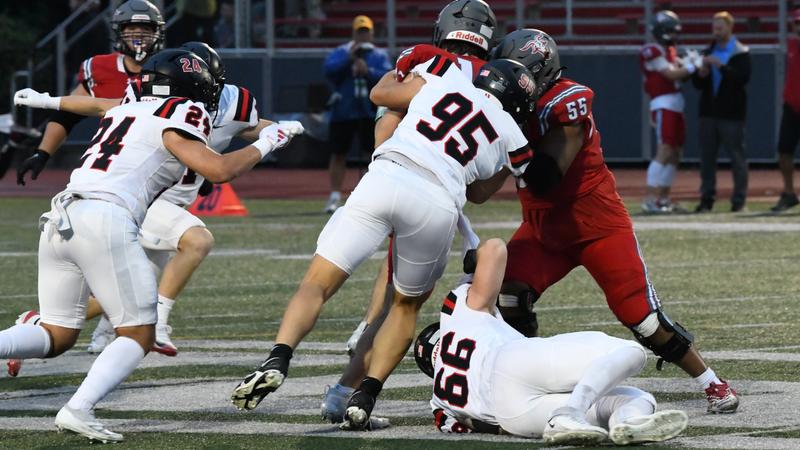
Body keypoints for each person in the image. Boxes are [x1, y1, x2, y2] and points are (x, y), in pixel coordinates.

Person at [5, 49, 301, 442]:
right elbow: (219, 170)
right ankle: (78, 409)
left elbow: (97, 106)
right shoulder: (183, 112)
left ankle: (74, 400)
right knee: (138, 335)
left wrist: (47, 101)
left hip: (62, 215)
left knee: (56, 334)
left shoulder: (126, 109)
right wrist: (269, 142)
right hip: (106, 218)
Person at [230, 58, 537, 432]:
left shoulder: (447, 80)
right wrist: (501, 158)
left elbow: (383, 94)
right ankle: (365, 396)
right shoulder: (512, 133)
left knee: (316, 283)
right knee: (404, 306)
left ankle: (278, 358)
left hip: (386, 174)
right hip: (436, 201)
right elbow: (479, 193)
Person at [492, 28, 739, 413]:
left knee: (642, 318)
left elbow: (545, 176)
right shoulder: (507, 108)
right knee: (508, 293)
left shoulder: (566, 102)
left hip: (596, 226)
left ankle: (711, 382)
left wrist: (508, 138)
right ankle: (527, 378)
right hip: (543, 229)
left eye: (516, 76)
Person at [320, 0, 498, 424]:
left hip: (396, 176)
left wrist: (386, 163)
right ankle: (354, 378)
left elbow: (385, 110)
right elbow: (481, 185)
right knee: (404, 303)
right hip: (435, 192)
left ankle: (345, 383)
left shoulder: (427, 62)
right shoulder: (489, 78)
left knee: (390, 292)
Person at [413, 238, 689, 445]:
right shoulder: (456, 317)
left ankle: (627, 424)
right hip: (507, 363)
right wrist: (475, 258)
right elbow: (495, 248)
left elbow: (465, 426)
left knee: (636, 399)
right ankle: (570, 412)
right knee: (631, 352)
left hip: (510, 416)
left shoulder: (439, 402)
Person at [16, 0, 165, 187]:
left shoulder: (170, 70)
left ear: (157, 33)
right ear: (119, 32)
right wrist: (42, 153)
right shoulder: (100, 68)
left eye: (145, 29)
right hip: (117, 164)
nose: (138, 35)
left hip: (161, 162)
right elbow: (67, 115)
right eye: (131, 28)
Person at [322, 15, 392, 213]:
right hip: (343, 111)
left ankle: (371, 195)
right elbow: (328, 71)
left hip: (368, 110)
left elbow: (388, 76)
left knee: (373, 153)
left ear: (371, 33)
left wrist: (367, 70)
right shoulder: (342, 51)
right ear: (353, 33)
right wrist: (349, 59)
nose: (363, 36)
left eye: (366, 32)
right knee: (338, 153)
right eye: (360, 32)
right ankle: (335, 195)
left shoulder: (378, 54)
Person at [640, 11, 701, 213]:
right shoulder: (651, 50)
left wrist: (688, 63)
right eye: (671, 31)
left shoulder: (670, 51)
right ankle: (650, 199)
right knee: (665, 150)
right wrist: (692, 66)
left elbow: (677, 72)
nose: (675, 35)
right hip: (663, 103)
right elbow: (670, 74)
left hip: (676, 103)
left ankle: (663, 199)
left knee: (675, 153)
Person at [692, 11, 751, 213]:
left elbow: (742, 79)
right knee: (707, 158)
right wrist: (701, 74)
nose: (716, 30)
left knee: (737, 156)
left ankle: (739, 200)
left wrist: (722, 66)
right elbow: (698, 84)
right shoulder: (708, 51)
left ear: (730, 27)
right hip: (708, 113)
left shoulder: (741, 52)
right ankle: (706, 198)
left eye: (720, 27)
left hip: (731, 114)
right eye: (714, 27)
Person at [771, 9, 800, 212]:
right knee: (784, 151)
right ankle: (789, 193)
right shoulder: (791, 44)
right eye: (797, 23)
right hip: (791, 105)